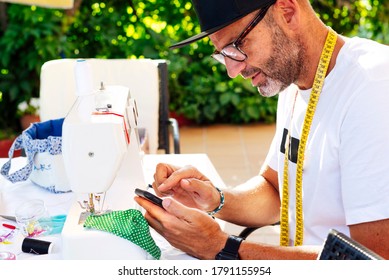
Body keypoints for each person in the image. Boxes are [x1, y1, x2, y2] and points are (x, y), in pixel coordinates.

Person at [135, 0, 389, 259]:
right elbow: (276, 190)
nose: (233, 71)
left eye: (237, 45)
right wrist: (214, 199)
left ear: (287, 13)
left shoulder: (374, 88)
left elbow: (375, 260)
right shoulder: (292, 80)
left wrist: (220, 246)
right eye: (223, 53)